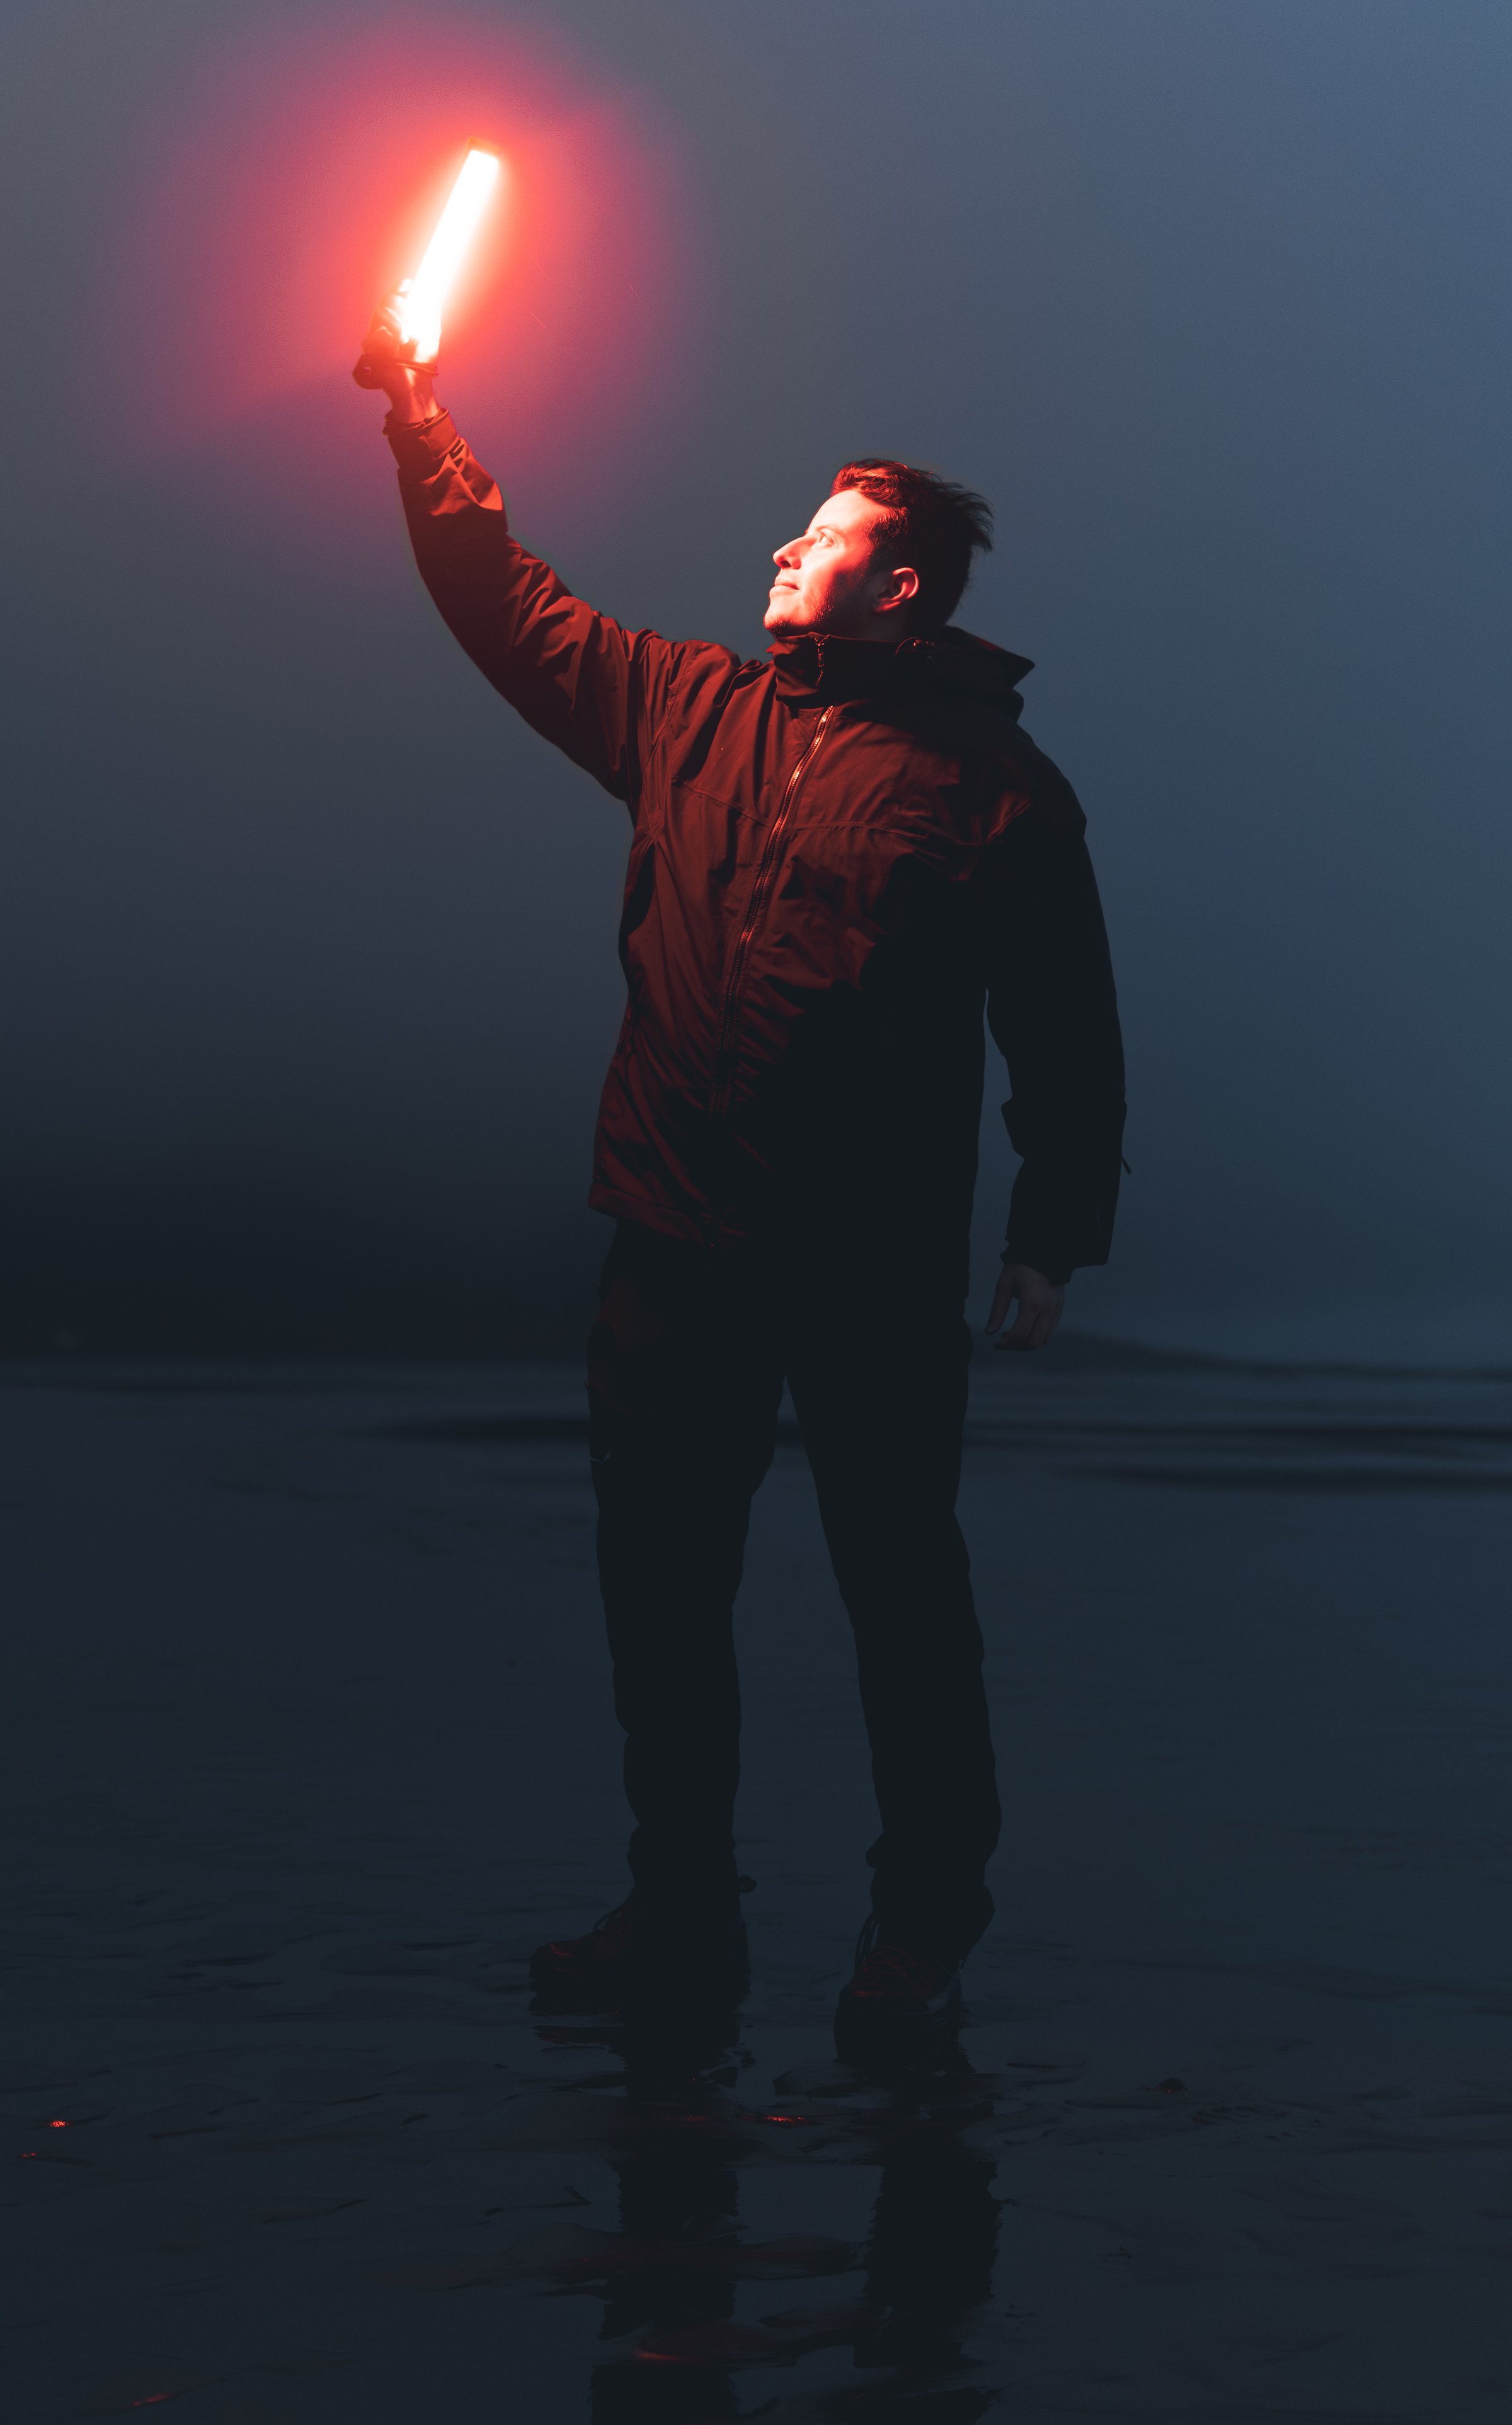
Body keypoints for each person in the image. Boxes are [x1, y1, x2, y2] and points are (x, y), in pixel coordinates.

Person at [355, 299, 1125, 2058]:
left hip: (866, 1269)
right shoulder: (685, 707)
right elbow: (505, 597)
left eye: (826, 532)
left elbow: (1068, 1027)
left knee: (900, 1599)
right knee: (663, 1591)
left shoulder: (999, 791)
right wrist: (419, 421)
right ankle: (681, 1917)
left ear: (903, 585)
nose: (784, 545)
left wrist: (1054, 1231)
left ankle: (924, 1922)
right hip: (674, 1240)